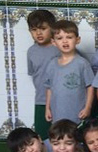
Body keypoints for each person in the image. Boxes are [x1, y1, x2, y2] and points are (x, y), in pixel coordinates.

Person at [44, 20, 94, 124]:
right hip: (57, 114)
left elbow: (90, 87)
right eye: (60, 38)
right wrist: (47, 108)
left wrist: (88, 108)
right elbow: (49, 88)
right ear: (53, 42)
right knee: (60, 138)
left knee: (76, 139)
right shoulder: (52, 64)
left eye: (69, 37)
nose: (65, 41)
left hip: (77, 115)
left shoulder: (82, 63)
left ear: (77, 40)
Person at [26, 9, 59, 139]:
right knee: (43, 138)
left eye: (43, 28)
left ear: (52, 28)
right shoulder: (31, 52)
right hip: (41, 101)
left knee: (65, 136)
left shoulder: (61, 48)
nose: (38, 33)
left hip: (62, 100)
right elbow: (34, 74)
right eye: (34, 30)